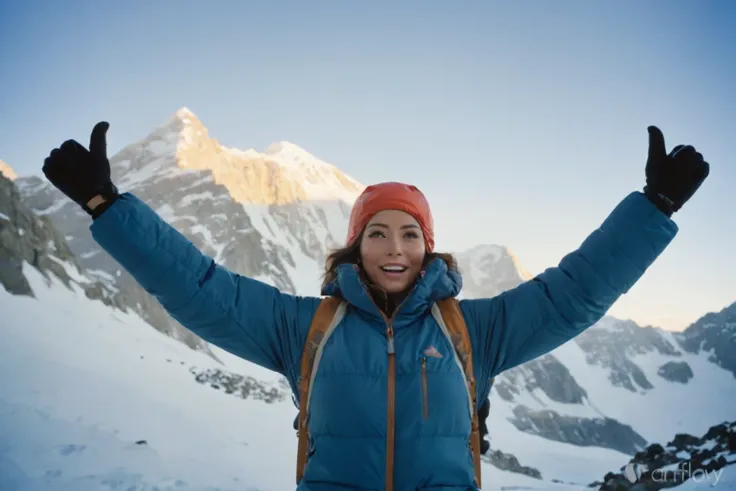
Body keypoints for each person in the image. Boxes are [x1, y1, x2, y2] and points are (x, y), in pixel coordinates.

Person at [42, 121, 710, 491]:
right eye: (378, 232)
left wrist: (653, 210)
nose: (395, 248)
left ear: (429, 246)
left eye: (410, 232)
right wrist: (108, 205)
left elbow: (574, 291)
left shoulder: (472, 330)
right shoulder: (306, 327)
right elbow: (197, 286)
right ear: (355, 246)